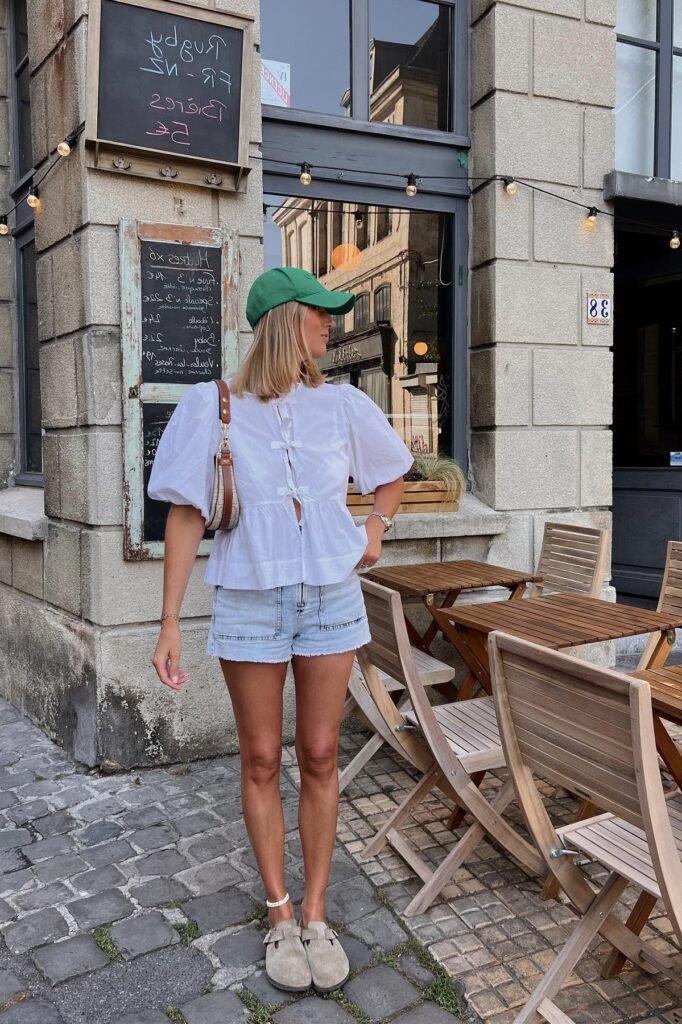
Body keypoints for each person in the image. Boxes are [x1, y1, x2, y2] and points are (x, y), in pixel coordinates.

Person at [148, 266, 413, 993]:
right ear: (282, 322)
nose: (333, 325)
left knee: (322, 753)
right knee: (262, 758)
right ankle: (278, 910)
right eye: (320, 313)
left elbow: (394, 472)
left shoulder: (346, 406)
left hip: (330, 595)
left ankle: (318, 912)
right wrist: (168, 621)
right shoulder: (215, 406)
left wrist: (377, 526)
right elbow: (183, 513)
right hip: (250, 598)